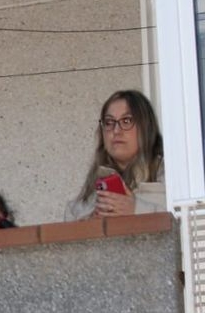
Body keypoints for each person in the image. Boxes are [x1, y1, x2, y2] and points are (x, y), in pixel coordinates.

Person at [65, 89, 165, 221]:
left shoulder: (174, 177)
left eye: (127, 121)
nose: (116, 130)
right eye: (109, 123)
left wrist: (136, 209)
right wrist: (92, 223)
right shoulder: (85, 201)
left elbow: (187, 222)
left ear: (146, 127)